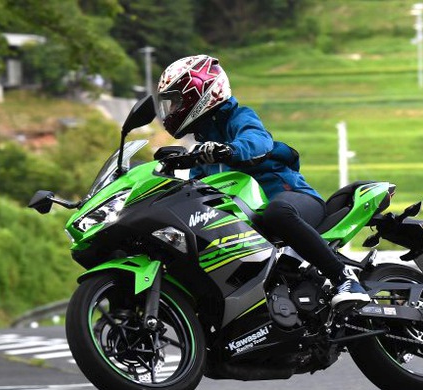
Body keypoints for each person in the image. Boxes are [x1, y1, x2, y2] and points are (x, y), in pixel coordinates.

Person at [157, 54, 369, 307]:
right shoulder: (204, 150)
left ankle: (344, 277)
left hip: (294, 200)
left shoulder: (238, 118)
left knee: (277, 213)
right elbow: (196, 192)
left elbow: (258, 141)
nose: (172, 110)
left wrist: (230, 150)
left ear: (199, 93)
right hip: (252, 219)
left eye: (176, 101)